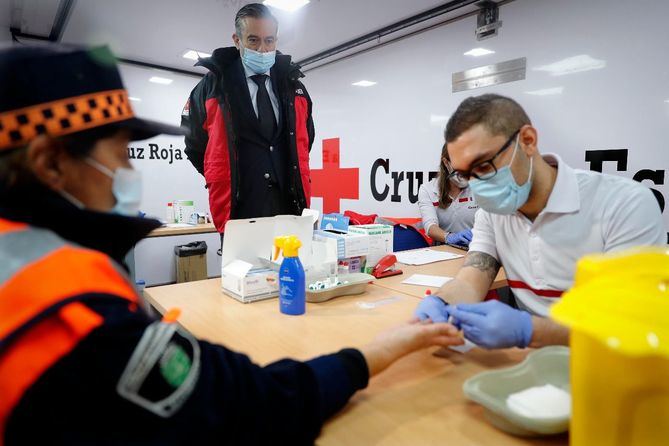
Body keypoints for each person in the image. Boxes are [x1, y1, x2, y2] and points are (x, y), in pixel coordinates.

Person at [0, 44, 463, 445]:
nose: (128, 172)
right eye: (120, 154)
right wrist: (381, 351)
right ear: (50, 163)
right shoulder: (71, 313)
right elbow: (247, 405)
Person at [415, 93, 665, 350]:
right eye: (465, 174)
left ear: (527, 141)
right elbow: (471, 280)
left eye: (484, 166)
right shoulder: (492, 213)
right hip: (533, 366)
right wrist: (442, 303)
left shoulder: (624, 203)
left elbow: (631, 324)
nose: (477, 185)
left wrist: (531, 331)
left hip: (607, 367)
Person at [181, 3, 314, 249]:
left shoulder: (293, 87)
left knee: (291, 281)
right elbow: (195, 147)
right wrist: (224, 176)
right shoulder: (211, 89)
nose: (262, 49)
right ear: (237, 40)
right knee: (242, 283)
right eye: (253, 40)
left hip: (290, 211)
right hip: (240, 212)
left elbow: (305, 142)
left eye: (269, 40)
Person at [417, 142, 478, 247]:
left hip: (476, 248)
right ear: (446, 162)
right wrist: (449, 237)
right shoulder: (428, 190)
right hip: (443, 250)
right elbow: (430, 226)